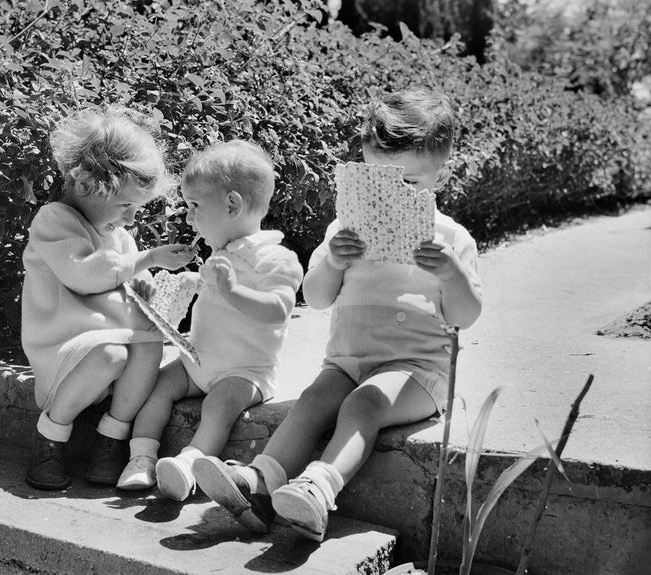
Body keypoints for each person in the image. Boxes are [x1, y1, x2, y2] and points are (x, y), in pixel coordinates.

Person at [192, 89, 483, 541]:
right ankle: (260, 482)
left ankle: (318, 487)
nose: (390, 196)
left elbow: (465, 315)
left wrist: (451, 273)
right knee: (313, 400)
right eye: (376, 180)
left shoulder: (451, 238)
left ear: (439, 177)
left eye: (407, 184)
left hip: (416, 371)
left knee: (363, 404)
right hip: (348, 360)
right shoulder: (343, 230)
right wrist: (334, 261)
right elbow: (318, 296)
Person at [115, 140, 304, 502]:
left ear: (232, 205)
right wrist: (191, 283)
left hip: (244, 372)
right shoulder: (223, 252)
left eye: (195, 206)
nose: (188, 218)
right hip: (197, 361)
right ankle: (142, 456)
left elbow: (278, 308)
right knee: (156, 387)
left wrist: (231, 290)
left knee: (218, 405)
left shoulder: (276, 258)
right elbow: (213, 291)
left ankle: (190, 463)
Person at [22, 106, 196, 491]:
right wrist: (146, 259)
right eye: (125, 206)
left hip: (107, 339)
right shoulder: (55, 221)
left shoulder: (118, 235)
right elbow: (84, 275)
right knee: (111, 353)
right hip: (65, 345)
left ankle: (111, 437)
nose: (132, 220)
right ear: (86, 185)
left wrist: (148, 284)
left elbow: (127, 273)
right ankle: (51, 434)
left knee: (150, 346)